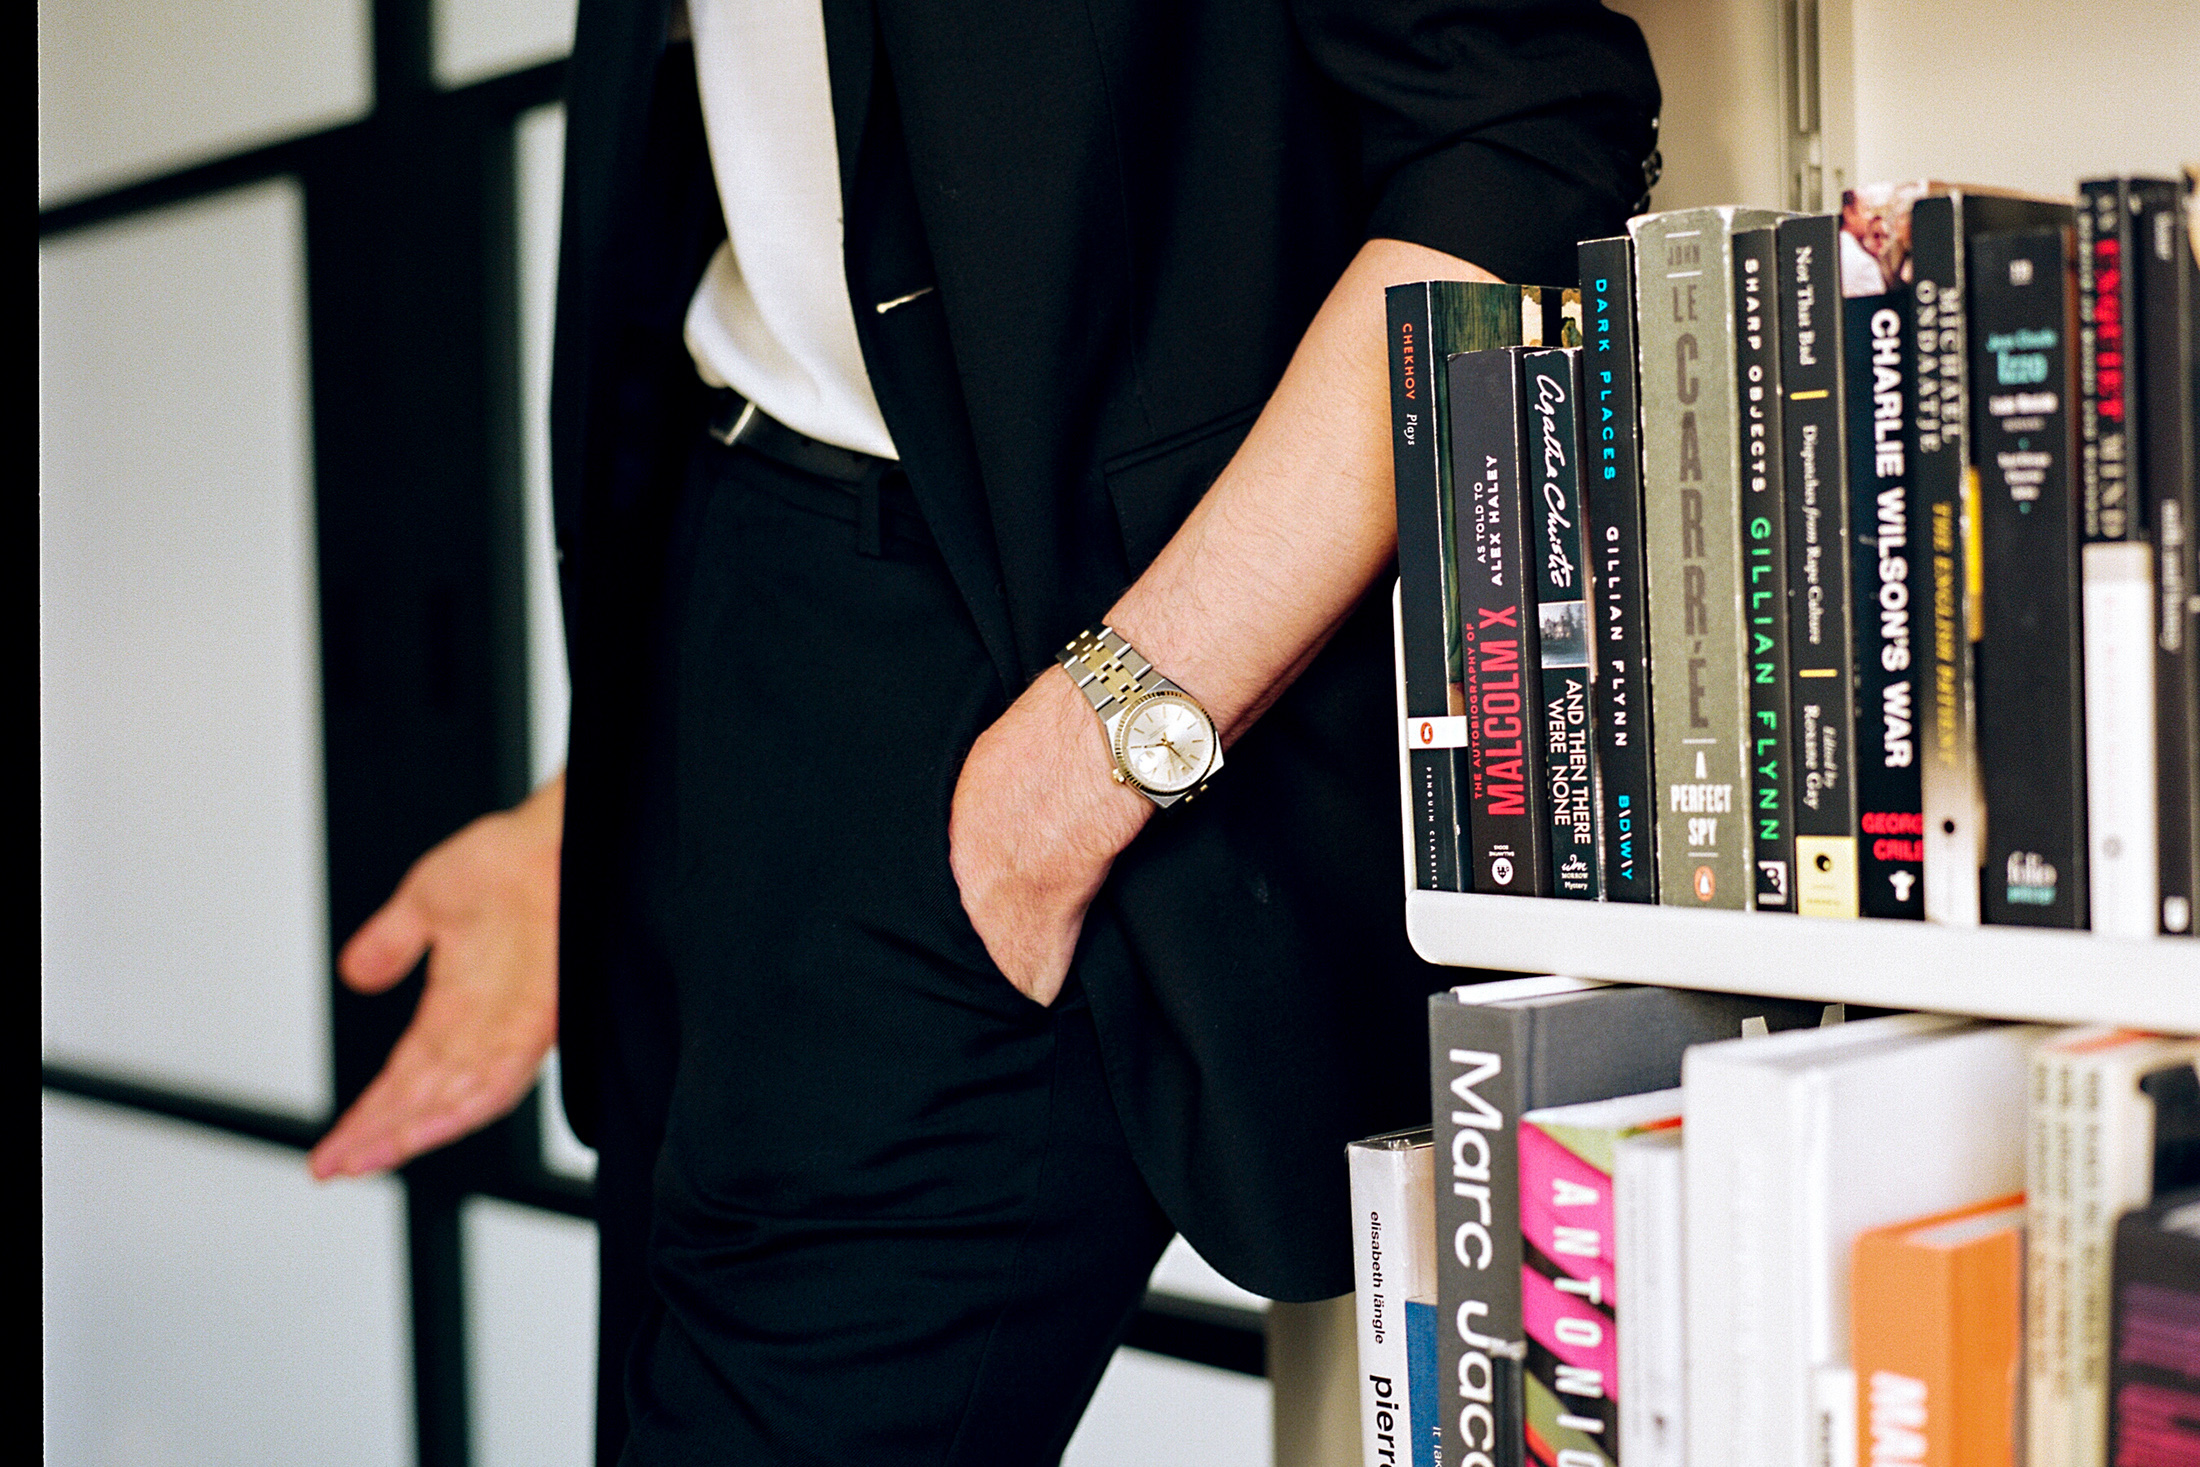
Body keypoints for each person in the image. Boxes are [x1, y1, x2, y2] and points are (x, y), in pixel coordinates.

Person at [310, 0, 1660, 1461]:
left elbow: (1523, 135)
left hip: (1035, 684)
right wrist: (594, 799)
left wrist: (1109, 741)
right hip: (731, 611)